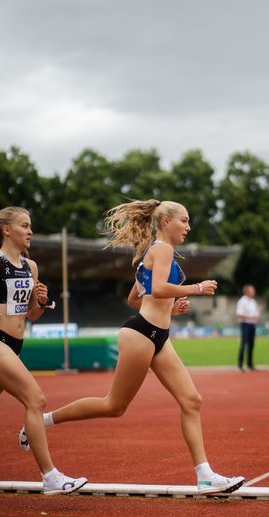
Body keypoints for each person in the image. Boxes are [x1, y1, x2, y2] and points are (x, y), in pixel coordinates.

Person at [19, 199, 245, 495]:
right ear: (166, 222)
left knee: (192, 400)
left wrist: (171, 309)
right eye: (184, 221)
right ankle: (43, 421)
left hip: (157, 335)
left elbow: (136, 298)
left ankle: (205, 476)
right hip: (141, 334)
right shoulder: (162, 249)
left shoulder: (156, 252)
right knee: (114, 405)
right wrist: (197, 288)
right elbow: (158, 289)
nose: (188, 227)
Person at [0, 206, 87, 494]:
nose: (30, 231)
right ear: (7, 230)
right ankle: (50, 476)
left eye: (30, 226)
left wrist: (38, 302)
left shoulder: (31, 267)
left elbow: (31, 316)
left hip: (14, 345)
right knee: (36, 400)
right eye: (25, 226)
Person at [236, 284, 260, 371]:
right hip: (245, 324)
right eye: (252, 290)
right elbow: (239, 314)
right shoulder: (242, 301)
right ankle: (240, 364)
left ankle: (250, 364)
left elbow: (256, 312)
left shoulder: (253, 301)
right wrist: (250, 317)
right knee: (244, 344)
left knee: (251, 344)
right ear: (247, 291)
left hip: (252, 324)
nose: (253, 292)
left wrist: (256, 316)